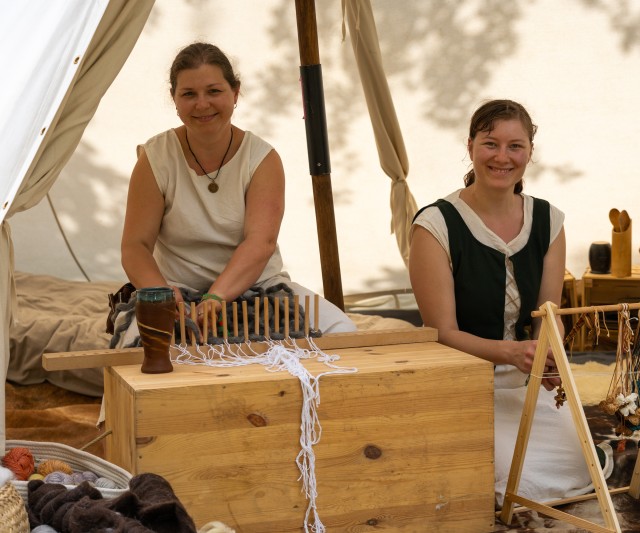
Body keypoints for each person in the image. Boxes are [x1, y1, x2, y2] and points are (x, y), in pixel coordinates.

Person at [408, 99, 611, 506]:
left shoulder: (549, 221)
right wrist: (509, 352)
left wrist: (546, 354)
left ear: (530, 153)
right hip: (465, 385)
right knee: (501, 476)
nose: (502, 157)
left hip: (526, 383)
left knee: (577, 464)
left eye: (515, 146)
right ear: (470, 147)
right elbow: (442, 333)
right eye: (490, 144)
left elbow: (548, 318)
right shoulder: (434, 225)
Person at [120, 42, 355, 342]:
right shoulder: (155, 158)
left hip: (259, 290)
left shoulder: (261, 158)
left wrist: (216, 299)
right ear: (174, 100)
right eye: (189, 94)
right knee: (136, 355)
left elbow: (260, 242)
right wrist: (163, 295)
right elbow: (135, 246)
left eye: (214, 91)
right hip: (176, 293)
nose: (202, 104)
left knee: (343, 332)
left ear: (235, 93)